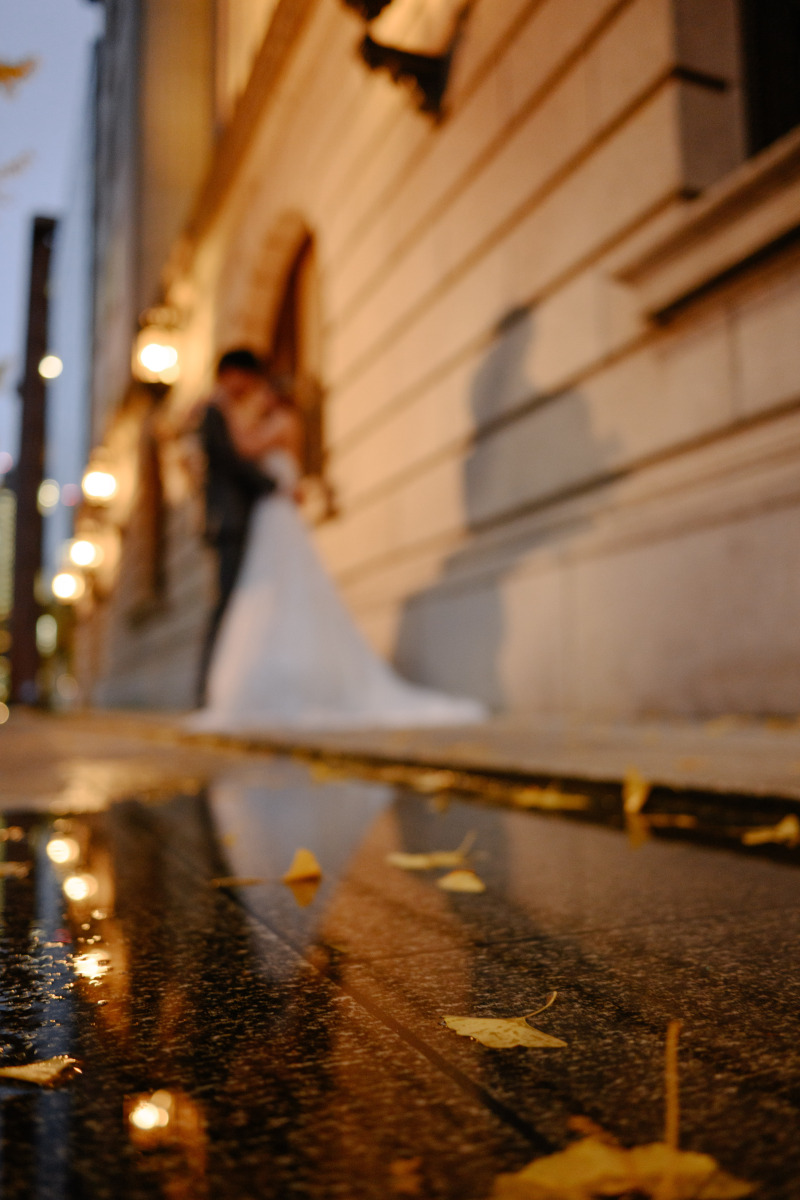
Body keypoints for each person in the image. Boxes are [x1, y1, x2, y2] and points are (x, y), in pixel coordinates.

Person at [187, 368, 486, 730]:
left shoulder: (282, 420)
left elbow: (243, 450)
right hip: (267, 517)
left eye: (262, 392)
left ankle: (288, 685)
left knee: (283, 594)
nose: (256, 398)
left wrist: (223, 409)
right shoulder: (258, 422)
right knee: (266, 600)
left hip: (277, 514)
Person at [194, 349, 279, 706]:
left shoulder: (223, 412)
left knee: (237, 603)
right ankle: (209, 689)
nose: (249, 387)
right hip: (229, 520)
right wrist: (273, 486)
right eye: (247, 377)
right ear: (232, 374)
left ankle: (227, 686)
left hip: (237, 519)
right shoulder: (213, 412)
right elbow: (230, 463)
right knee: (227, 603)